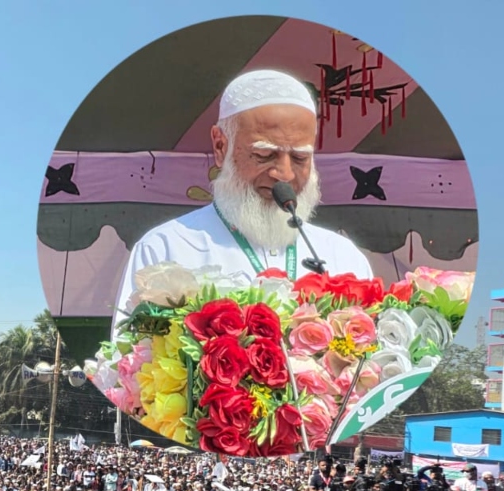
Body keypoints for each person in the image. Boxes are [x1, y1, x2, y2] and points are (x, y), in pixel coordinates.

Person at [113, 68, 373, 336]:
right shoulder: (166, 249)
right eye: (264, 154)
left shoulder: (342, 257)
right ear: (220, 147)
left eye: (299, 158)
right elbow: (126, 368)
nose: (284, 174)